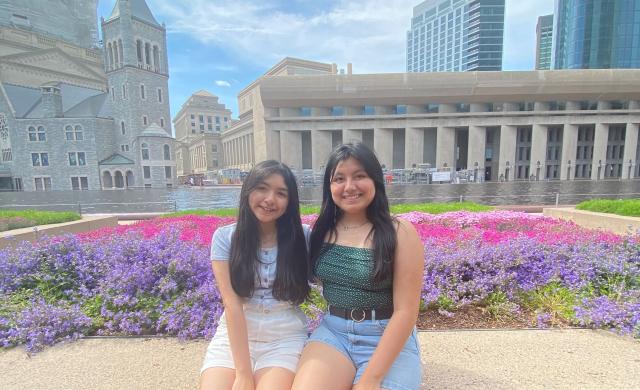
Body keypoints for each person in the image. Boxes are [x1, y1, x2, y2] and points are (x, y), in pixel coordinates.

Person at [292, 143, 424, 390]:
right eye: (339, 179)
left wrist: (371, 379)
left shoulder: (400, 233)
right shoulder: (321, 231)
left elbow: (406, 312)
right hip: (334, 333)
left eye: (359, 176)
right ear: (329, 187)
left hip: (386, 335)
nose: (349, 186)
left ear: (376, 180)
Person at [200, 160, 311, 390]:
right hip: (234, 338)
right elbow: (232, 304)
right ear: (248, 190)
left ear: (290, 202)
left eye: (281, 193)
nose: (270, 199)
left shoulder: (303, 237)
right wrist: (243, 374)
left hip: (285, 338)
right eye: (262, 188)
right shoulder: (225, 238)